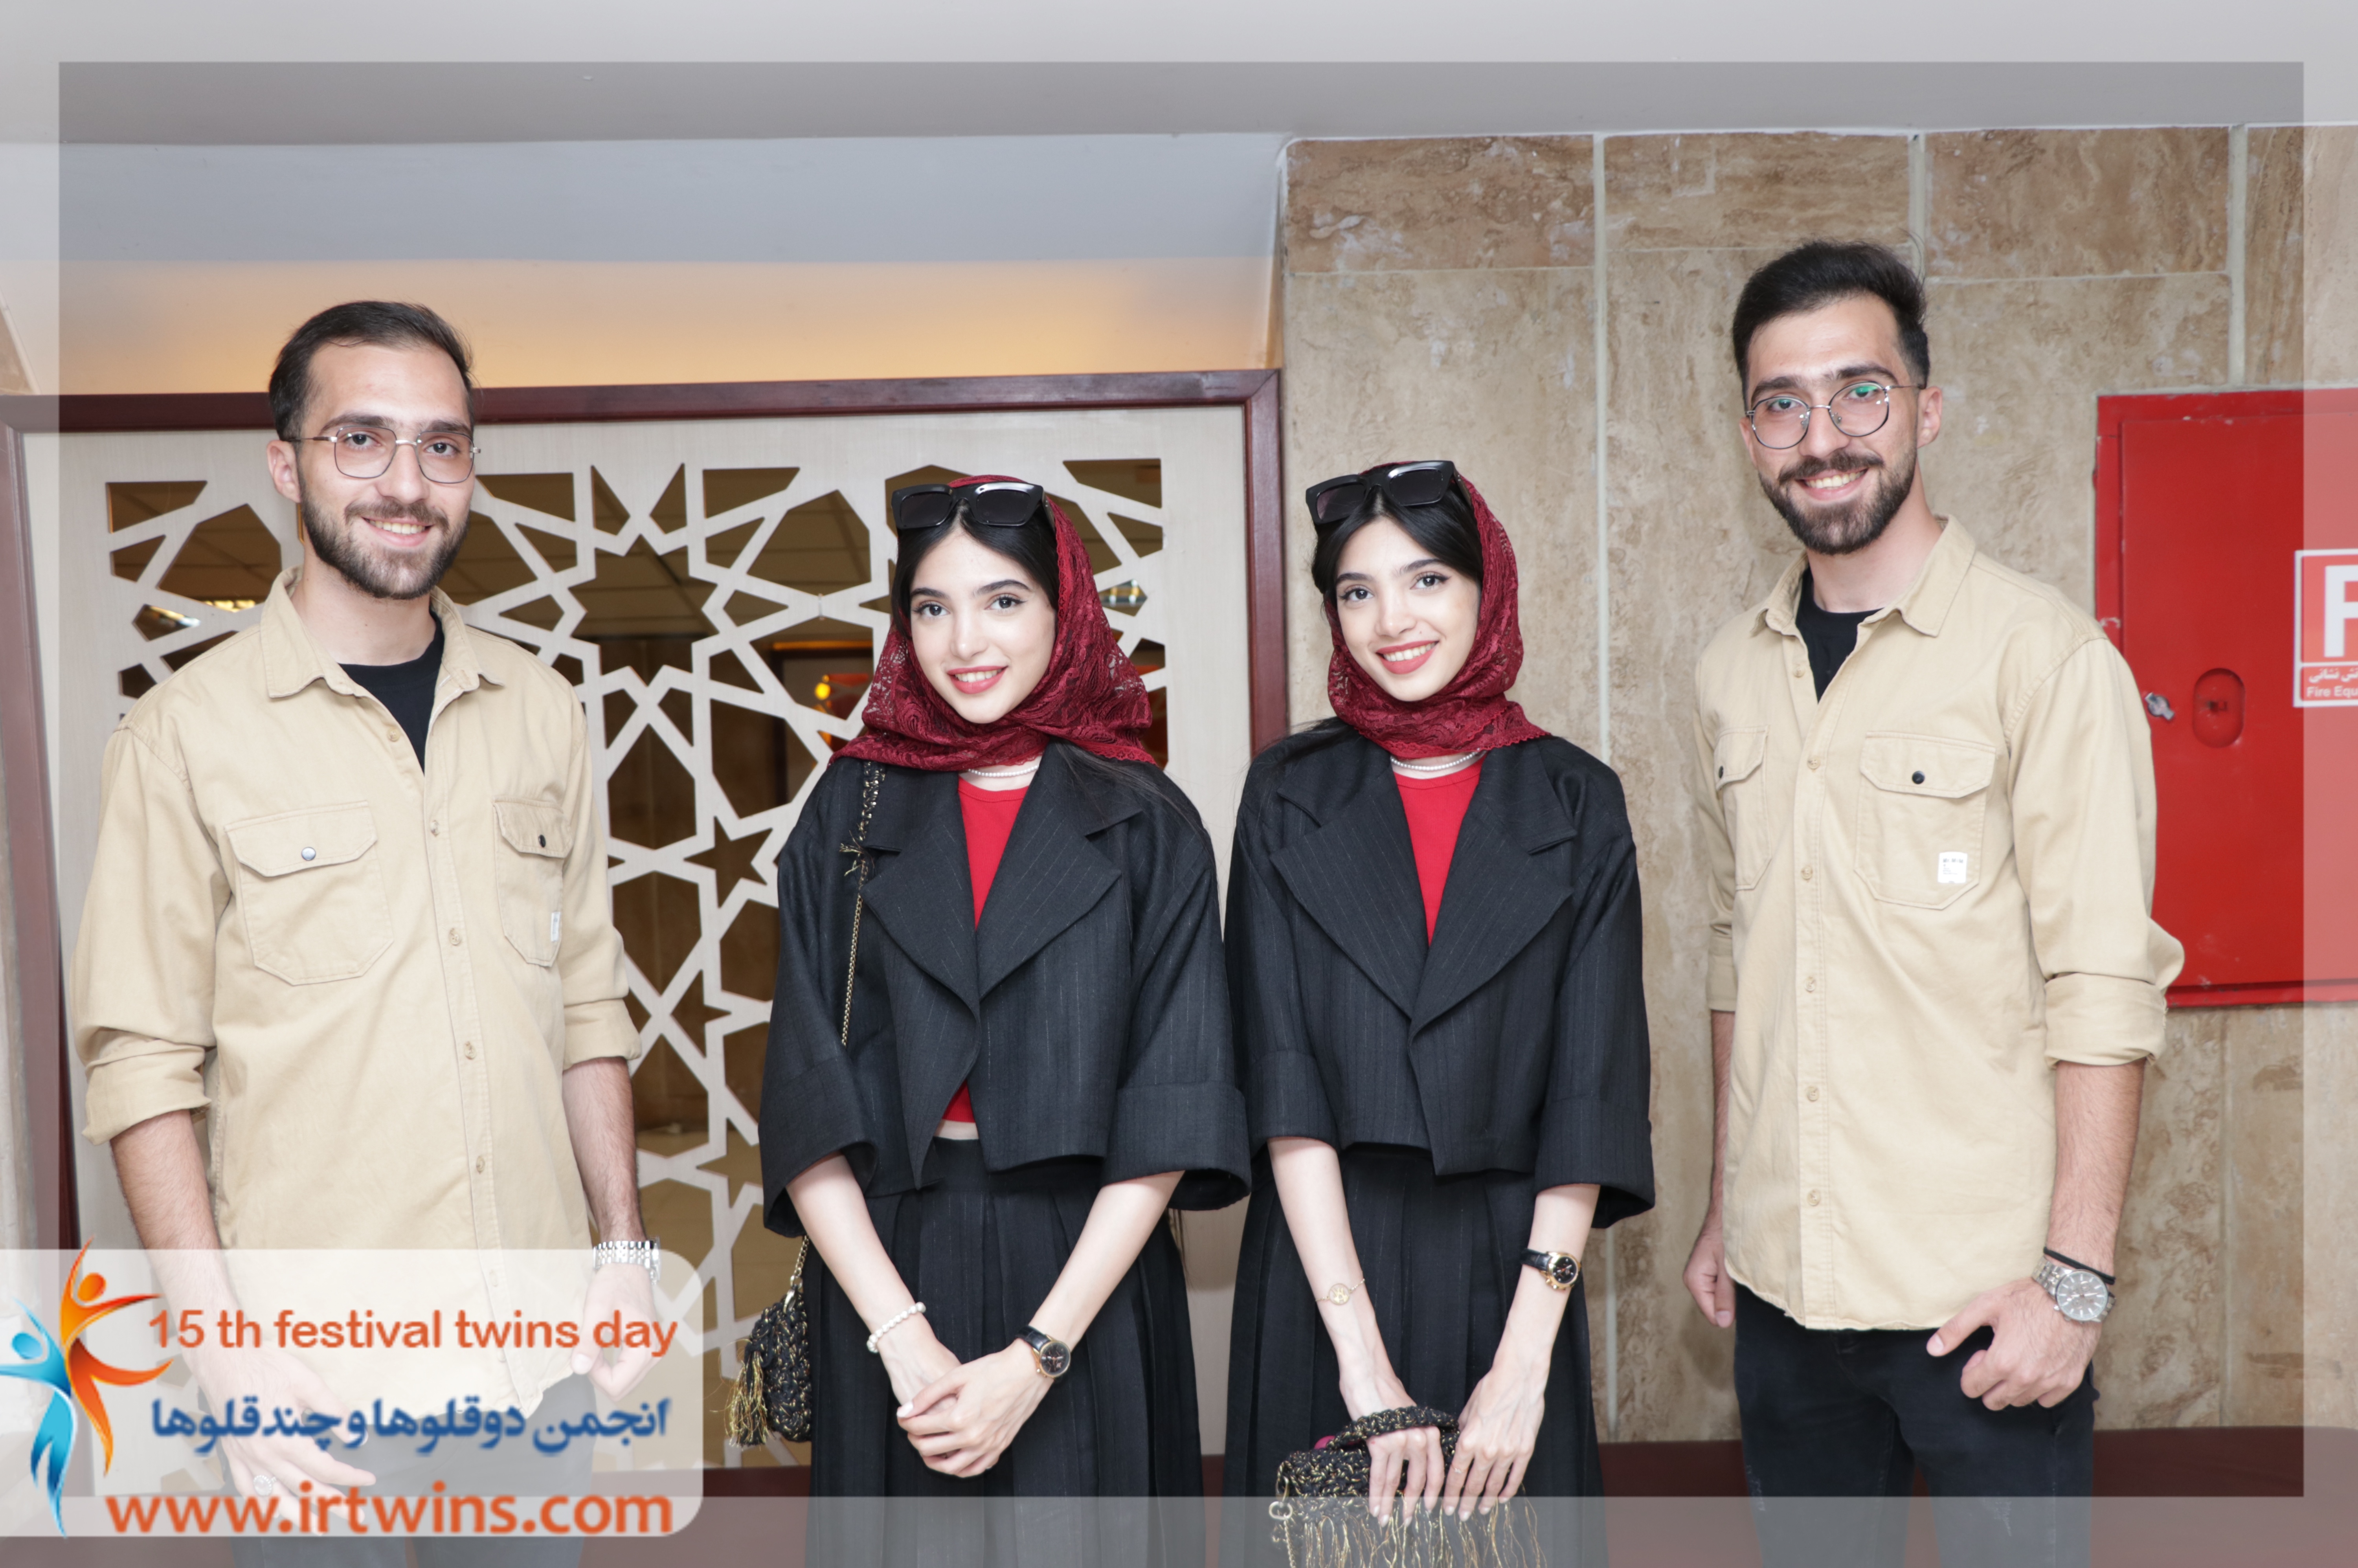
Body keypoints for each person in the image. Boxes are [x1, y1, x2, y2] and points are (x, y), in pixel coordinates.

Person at [70, 301, 661, 1565]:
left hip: (534, 1367)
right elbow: (141, 1065)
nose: (407, 482)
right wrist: (220, 1352)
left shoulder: (543, 712)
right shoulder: (183, 739)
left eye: (443, 445)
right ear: (287, 465)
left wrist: (623, 1250)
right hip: (310, 1386)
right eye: (362, 440)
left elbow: (586, 1005)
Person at [1681, 242, 2184, 1568]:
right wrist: (1729, 1207)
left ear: (1927, 408)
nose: (1823, 436)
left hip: (1985, 1300)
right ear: (1748, 433)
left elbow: (2104, 982)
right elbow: (1740, 958)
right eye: (1783, 402)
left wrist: (2075, 1284)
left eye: (1861, 391)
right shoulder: (1730, 675)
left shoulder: (2045, 659)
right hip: (1786, 1290)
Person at [758, 475, 1247, 1561]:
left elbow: (1170, 1110)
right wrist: (902, 1337)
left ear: (1067, 612)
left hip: (1086, 1275)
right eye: (931, 607)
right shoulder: (851, 805)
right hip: (889, 1267)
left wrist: (1038, 1357)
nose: (964, 641)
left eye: (1005, 602)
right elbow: (806, 1094)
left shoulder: (1149, 823)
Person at [1220, 461, 1655, 1559]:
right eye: (1357, 592)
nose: (1392, 621)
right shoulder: (1285, 793)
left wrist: (1523, 1367)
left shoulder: (1577, 799)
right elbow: (1282, 1083)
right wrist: (1363, 1365)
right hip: (1326, 1278)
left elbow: (1592, 1093)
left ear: (1484, 588)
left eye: (1426, 581)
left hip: (1514, 1279)